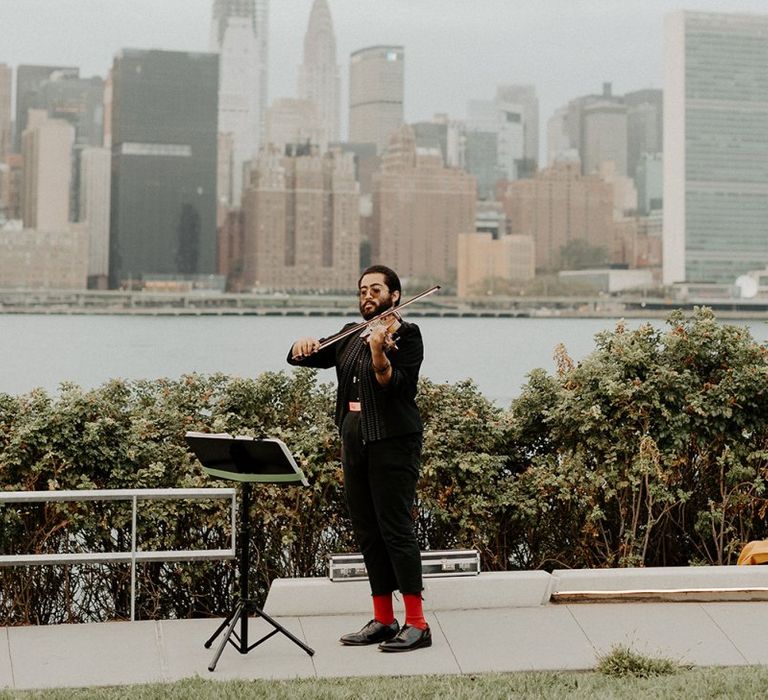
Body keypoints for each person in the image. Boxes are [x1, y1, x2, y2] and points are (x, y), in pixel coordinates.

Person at [287, 264, 430, 652]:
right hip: (355, 443)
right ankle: (384, 618)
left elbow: (393, 386)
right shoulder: (350, 334)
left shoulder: (408, 336)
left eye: (376, 290)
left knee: (395, 528)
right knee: (367, 530)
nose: (368, 295)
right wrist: (301, 345)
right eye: (363, 290)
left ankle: (417, 623)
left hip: (392, 442)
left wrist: (379, 352)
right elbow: (302, 358)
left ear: (394, 296)